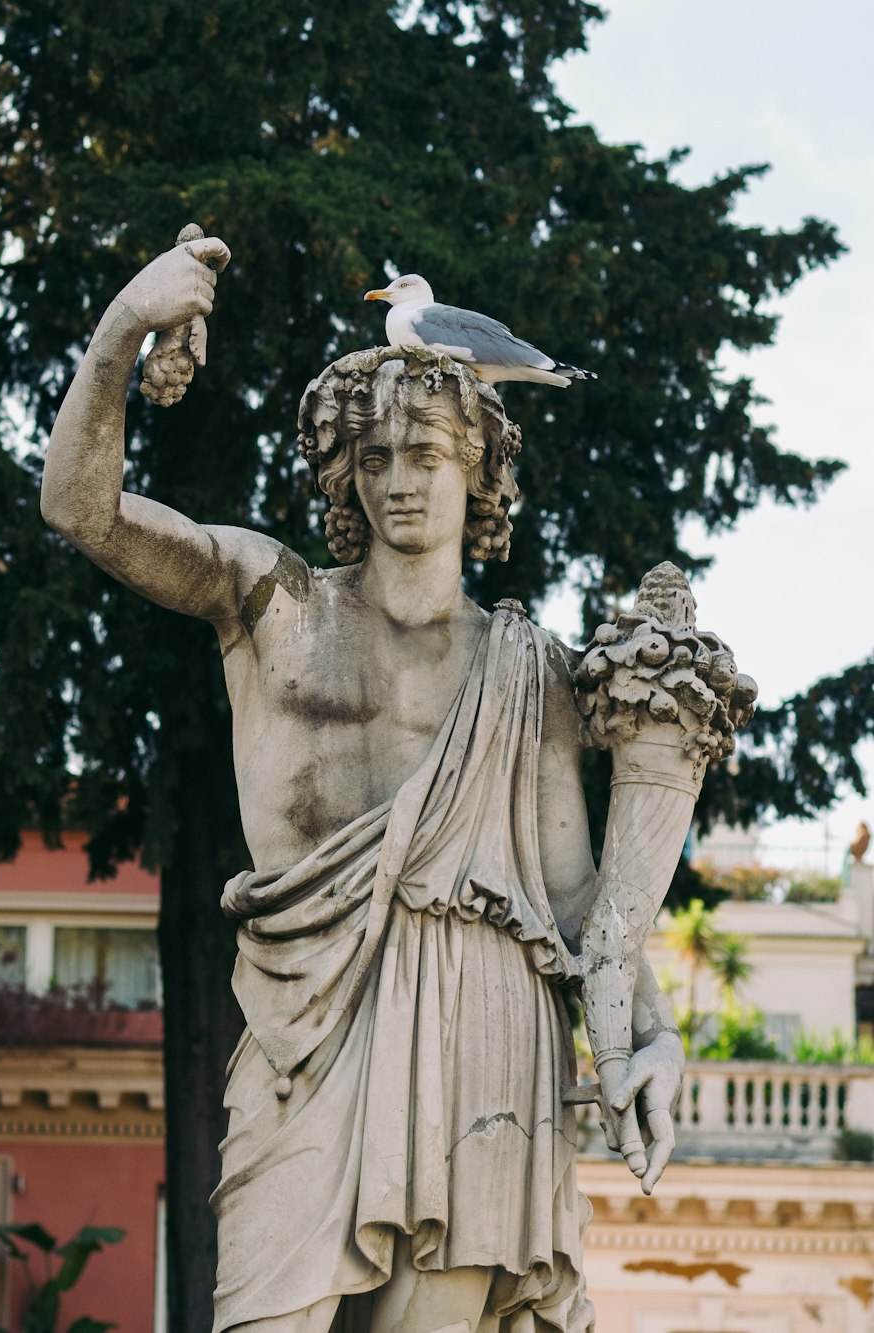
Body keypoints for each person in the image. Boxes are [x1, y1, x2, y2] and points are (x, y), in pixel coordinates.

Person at [41, 238, 685, 1333]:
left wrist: (646, 1033)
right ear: (343, 470)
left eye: (427, 451)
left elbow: (576, 894)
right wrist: (120, 332)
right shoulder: (272, 599)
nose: (398, 479)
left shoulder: (525, 668)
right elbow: (83, 512)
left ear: (477, 464)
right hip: (305, 1027)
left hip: (488, 1024)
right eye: (374, 454)